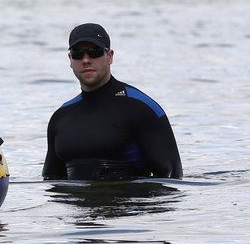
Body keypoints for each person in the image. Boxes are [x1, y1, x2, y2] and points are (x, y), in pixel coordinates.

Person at [42, 23, 183, 181]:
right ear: (70, 59)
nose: (86, 60)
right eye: (77, 53)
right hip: (77, 205)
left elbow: (172, 177)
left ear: (109, 56)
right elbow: (51, 180)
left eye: (94, 52)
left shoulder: (141, 107)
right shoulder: (60, 118)